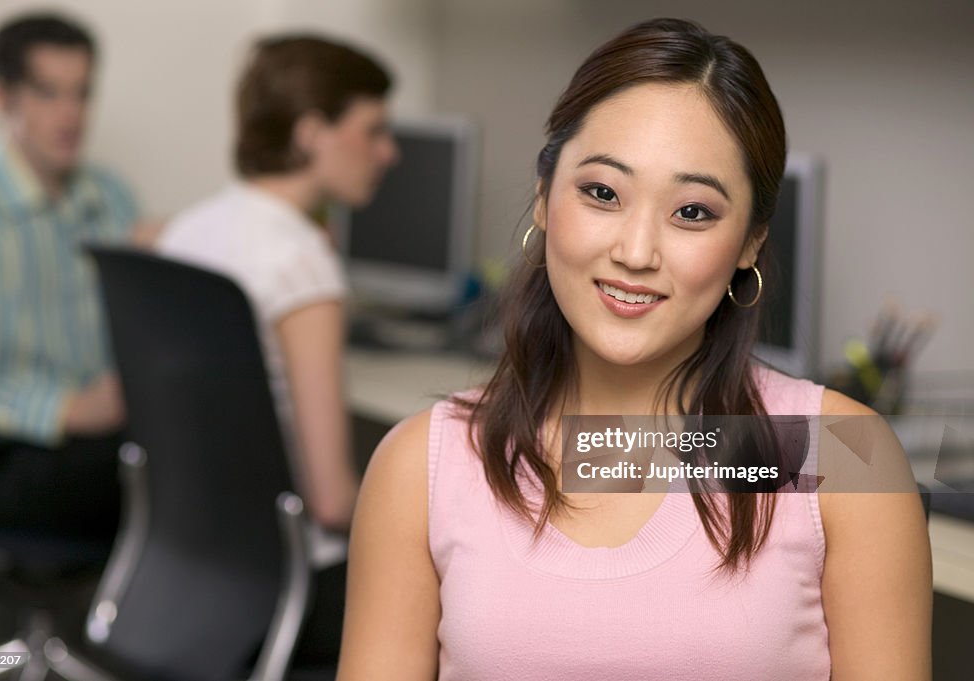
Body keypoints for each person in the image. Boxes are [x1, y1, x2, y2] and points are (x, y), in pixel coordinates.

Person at [337, 18, 932, 681]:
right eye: (602, 193)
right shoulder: (426, 465)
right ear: (543, 196)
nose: (636, 252)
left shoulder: (842, 457)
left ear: (751, 242)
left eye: (693, 212)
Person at [156, 34, 398, 665]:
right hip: (296, 587)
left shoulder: (190, 229)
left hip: (197, 567)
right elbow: (331, 500)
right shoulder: (300, 263)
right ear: (314, 132)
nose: (388, 152)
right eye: (373, 130)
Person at [0, 12, 141, 538]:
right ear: (1, 97)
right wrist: (64, 410)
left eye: (81, 93)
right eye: (49, 93)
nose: (71, 114)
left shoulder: (109, 196)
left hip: (108, 440)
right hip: (7, 454)